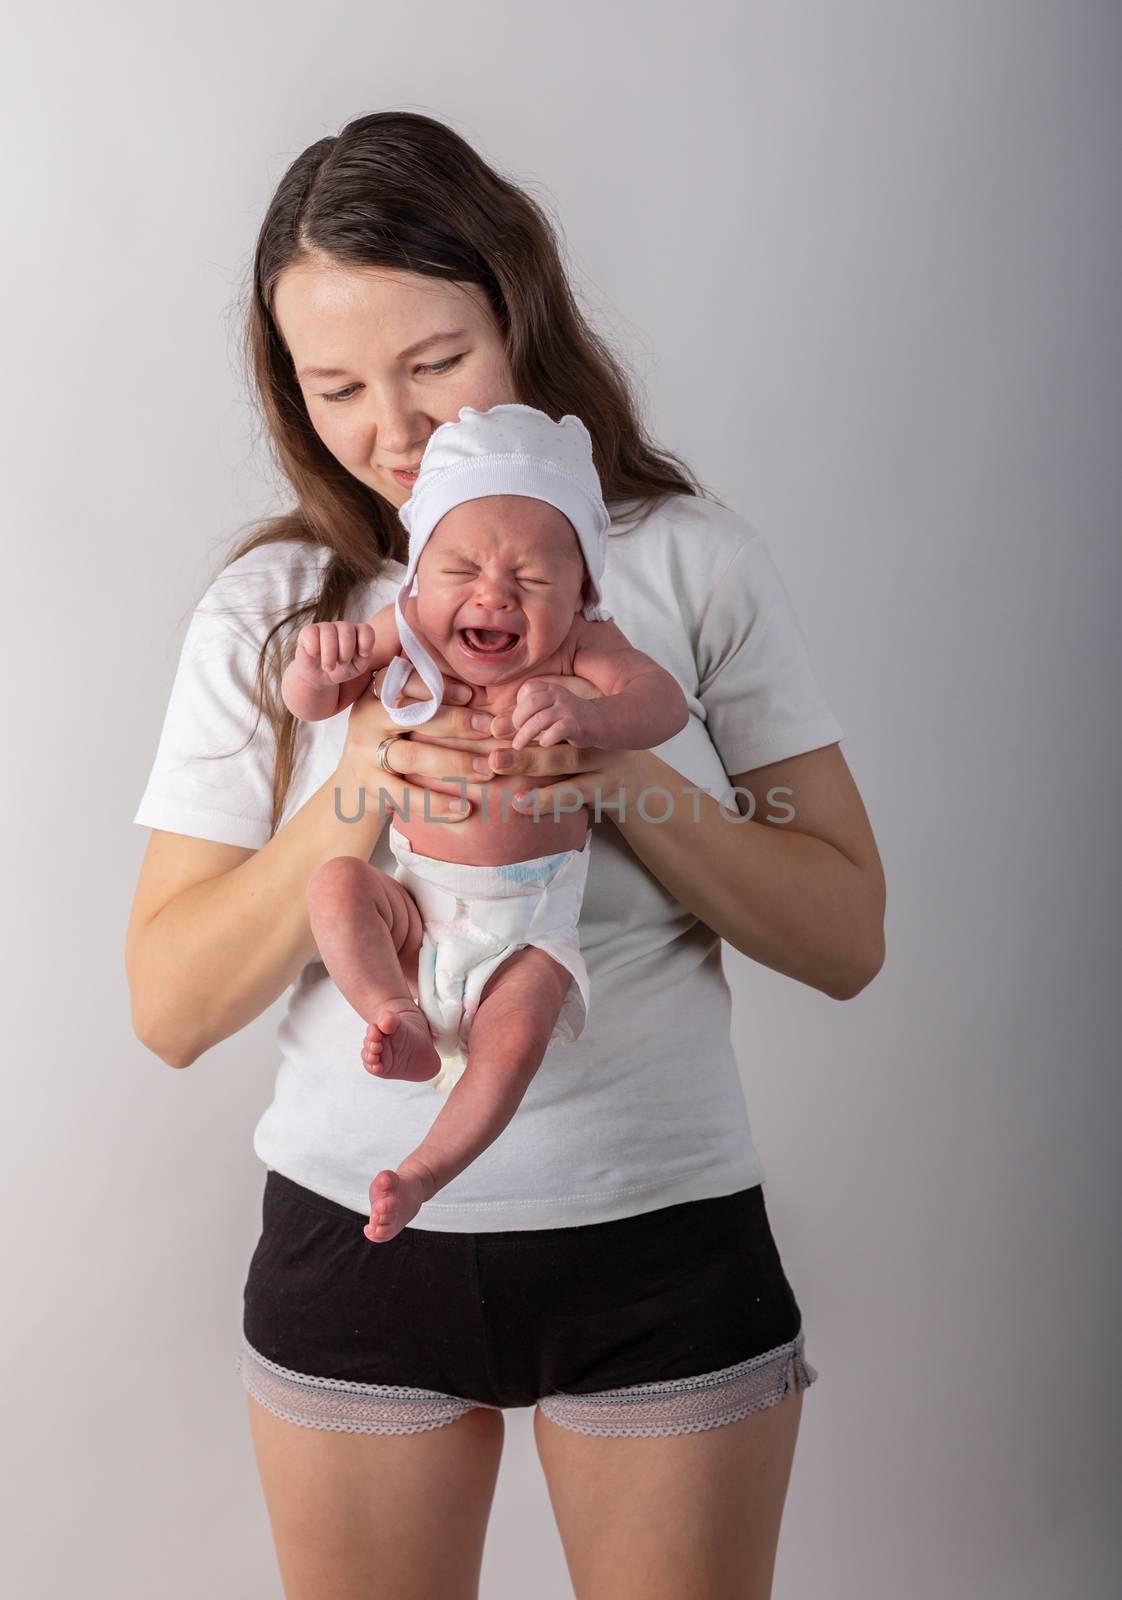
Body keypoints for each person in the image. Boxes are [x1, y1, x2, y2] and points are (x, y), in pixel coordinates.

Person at [126, 110, 885, 1600]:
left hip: (659, 1238)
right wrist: (357, 785)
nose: (393, 428)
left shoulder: (684, 564)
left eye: (434, 362)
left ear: (519, 316)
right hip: (357, 1246)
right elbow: (170, 1006)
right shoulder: (289, 613)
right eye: (336, 384)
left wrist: (624, 778)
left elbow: (844, 935)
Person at [281, 401, 688, 1242]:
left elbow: (662, 703)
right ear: (419, 576)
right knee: (338, 887)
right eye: (461, 568)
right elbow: (316, 699)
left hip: (528, 930)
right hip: (417, 915)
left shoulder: (583, 648)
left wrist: (596, 722)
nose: (494, 593)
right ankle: (393, 1013)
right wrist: (318, 672)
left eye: (534, 579)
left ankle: (424, 1171)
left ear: (582, 592)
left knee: (514, 1039)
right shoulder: (409, 631)